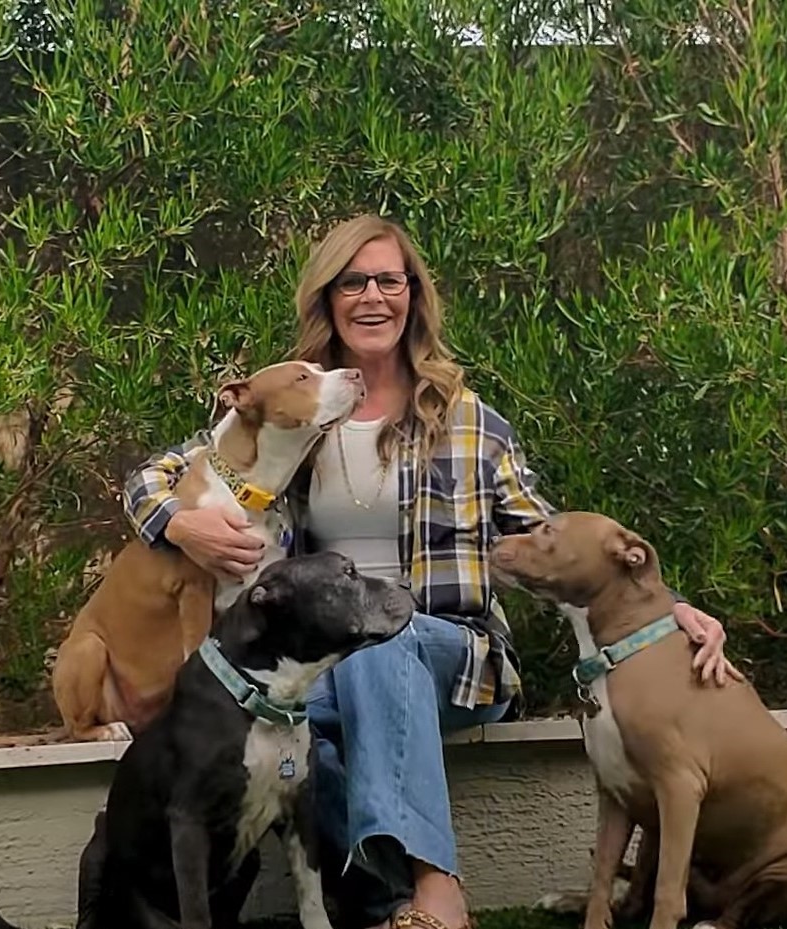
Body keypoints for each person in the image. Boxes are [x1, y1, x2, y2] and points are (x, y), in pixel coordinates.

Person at [122, 214, 741, 929]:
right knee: (292, 745)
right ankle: (391, 908)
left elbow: (557, 540)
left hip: (454, 653)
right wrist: (177, 521)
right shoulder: (298, 409)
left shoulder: (469, 420)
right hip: (332, 667)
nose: (372, 297)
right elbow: (157, 473)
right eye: (352, 282)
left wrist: (670, 607)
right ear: (329, 299)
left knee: (379, 652)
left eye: (390, 279)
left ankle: (437, 891)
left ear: (413, 295)